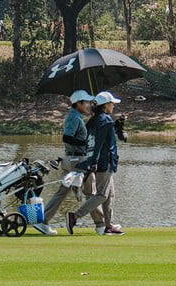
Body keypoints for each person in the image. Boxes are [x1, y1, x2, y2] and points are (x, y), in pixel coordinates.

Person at [68, 90, 124, 235]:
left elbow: (96, 141)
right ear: (106, 105)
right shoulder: (105, 120)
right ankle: (75, 216)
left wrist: (116, 127)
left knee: (110, 195)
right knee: (102, 195)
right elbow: (99, 144)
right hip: (104, 162)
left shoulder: (94, 120)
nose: (114, 106)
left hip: (101, 161)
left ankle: (108, 225)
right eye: (112, 103)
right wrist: (94, 162)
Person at [42, 90, 96, 225]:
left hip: (73, 159)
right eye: (86, 103)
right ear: (79, 103)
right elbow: (67, 138)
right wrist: (84, 143)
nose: (88, 105)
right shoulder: (74, 117)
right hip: (76, 161)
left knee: (63, 192)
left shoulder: (76, 116)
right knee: (94, 194)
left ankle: (44, 219)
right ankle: (102, 224)